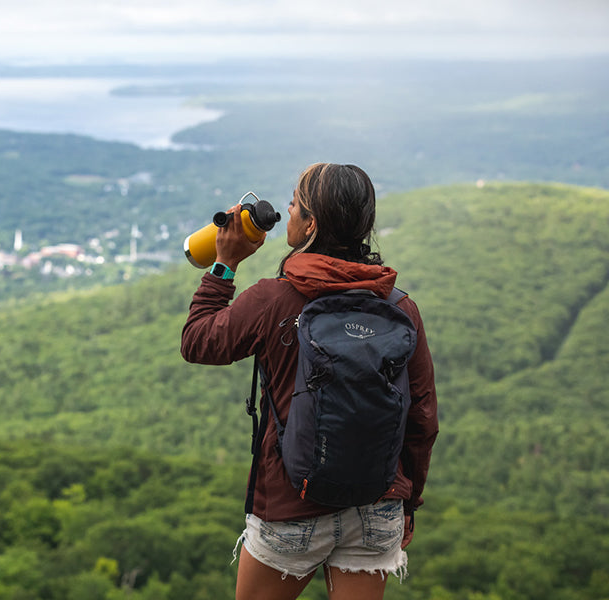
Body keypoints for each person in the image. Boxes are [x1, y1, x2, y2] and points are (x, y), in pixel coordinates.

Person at [181, 163, 438, 600]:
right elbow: (422, 419)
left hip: (289, 506)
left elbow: (198, 342)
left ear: (311, 225)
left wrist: (224, 264)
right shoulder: (399, 308)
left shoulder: (272, 299)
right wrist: (406, 503)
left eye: (295, 204)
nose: (288, 209)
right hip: (378, 505)